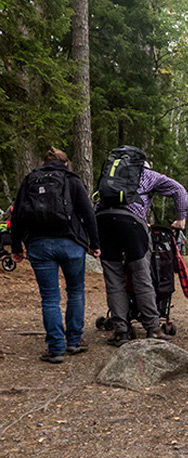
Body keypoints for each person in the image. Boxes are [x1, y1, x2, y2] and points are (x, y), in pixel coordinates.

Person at [9, 148, 101, 363]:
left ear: (43, 163)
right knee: (75, 291)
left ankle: (56, 347)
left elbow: (18, 214)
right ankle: (74, 341)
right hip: (71, 243)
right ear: (66, 163)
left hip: (38, 244)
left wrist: (16, 247)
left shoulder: (30, 180)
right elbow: (88, 213)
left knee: (50, 298)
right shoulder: (72, 180)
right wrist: (95, 244)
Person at [95, 146, 187, 345]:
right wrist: (180, 219)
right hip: (132, 223)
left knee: (113, 278)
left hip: (103, 221)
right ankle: (152, 328)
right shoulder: (149, 175)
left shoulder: (110, 177)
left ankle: (121, 331)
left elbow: (98, 204)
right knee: (141, 275)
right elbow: (179, 190)